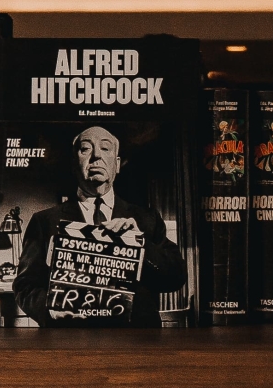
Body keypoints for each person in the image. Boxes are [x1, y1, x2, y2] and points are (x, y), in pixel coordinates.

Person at [12, 126, 187, 326]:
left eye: (105, 148)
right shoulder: (45, 222)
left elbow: (176, 277)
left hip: (136, 342)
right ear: (73, 163)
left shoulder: (147, 219)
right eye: (85, 149)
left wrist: (141, 245)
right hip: (72, 341)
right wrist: (51, 309)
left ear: (117, 164)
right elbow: (24, 287)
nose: (96, 156)